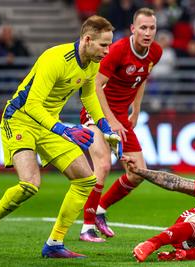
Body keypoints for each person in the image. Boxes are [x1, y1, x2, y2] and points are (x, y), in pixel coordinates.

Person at [0, 15, 121, 258]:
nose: (107, 51)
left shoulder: (92, 63)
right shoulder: (55, 58)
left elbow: (88, 97)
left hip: (49, 124)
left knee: (85, 180)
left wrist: (106, 128)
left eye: (109, 45)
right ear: (87, 40)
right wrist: (64, 129)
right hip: (20, 119)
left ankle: (54, 243)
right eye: (104, 45)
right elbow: (32, 105)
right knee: (30, 184)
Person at [78, 7, 162, 242]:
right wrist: (111, 120)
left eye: (152, 28)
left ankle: (100, 210)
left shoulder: (156, 51)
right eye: (143, 27)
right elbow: (95, 86)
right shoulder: (117, 51)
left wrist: (136, 109)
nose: (148, 32)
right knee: (103, 165)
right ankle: (86, 227)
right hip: (96, 114)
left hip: (121, 119)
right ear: (133, 29)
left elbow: (141, 79)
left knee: (137, 173)